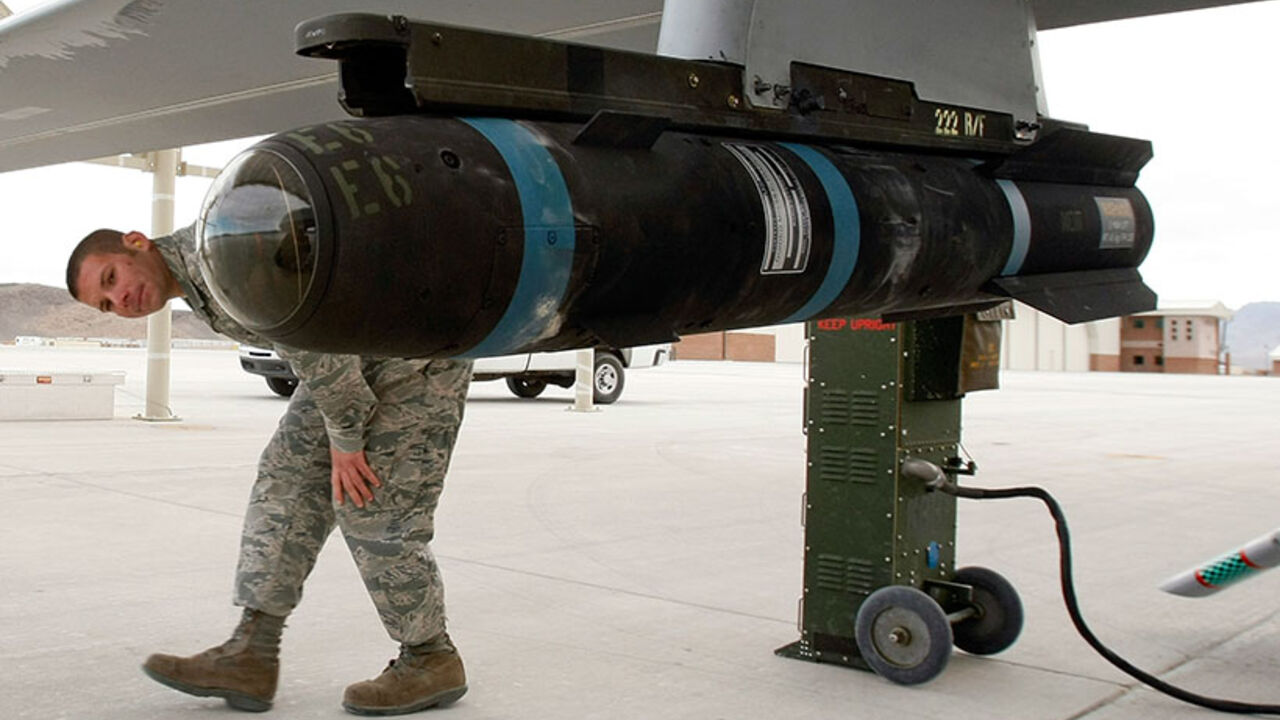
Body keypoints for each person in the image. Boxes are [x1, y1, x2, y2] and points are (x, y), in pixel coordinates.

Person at [66, 225, 473, 716]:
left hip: (417, 340)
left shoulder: (221, 257)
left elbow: (317, 344)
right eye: (106, 304)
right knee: (286, 480)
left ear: (137, 242)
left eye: (111, 278)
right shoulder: (197, 279)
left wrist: (346, 439)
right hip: (355, 351)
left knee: (375, 506)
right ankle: (251, 654)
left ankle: (430, 656)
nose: (121, 299)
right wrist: (339, 432)